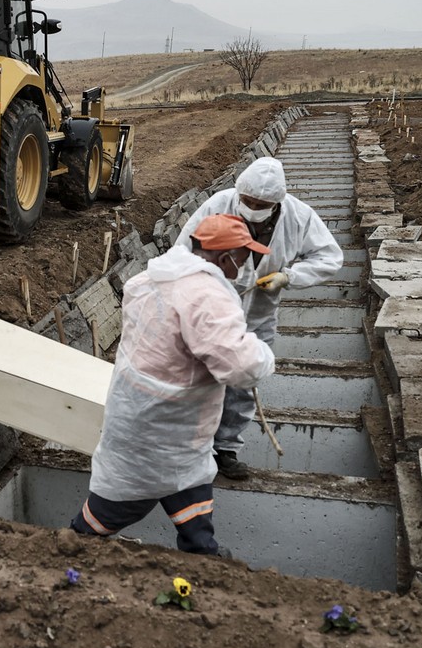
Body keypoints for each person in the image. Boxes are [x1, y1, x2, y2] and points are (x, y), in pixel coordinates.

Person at [71, 214, 276, 555]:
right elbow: (239, 366)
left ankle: (203, 552)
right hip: (162, 427)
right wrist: (261, 352)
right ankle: (71, 544)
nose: (244, 266)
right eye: (242, 257)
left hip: (147, 417)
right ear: (225, 258)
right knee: (120, 504)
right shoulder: (206, 295)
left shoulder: (148, 280)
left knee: (190, 485)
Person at [176, 156, 343, 480]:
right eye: (247, 201)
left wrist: (290, 275)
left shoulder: (298, 217)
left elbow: (329, 256)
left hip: (259, 313)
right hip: (210, 316)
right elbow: (183, 249)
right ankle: (191, 446)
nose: (252, 208)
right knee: (199, 377)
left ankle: (226, 449)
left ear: (276, 203)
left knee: (243, 380)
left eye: (260, 204)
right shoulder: (219, 204)